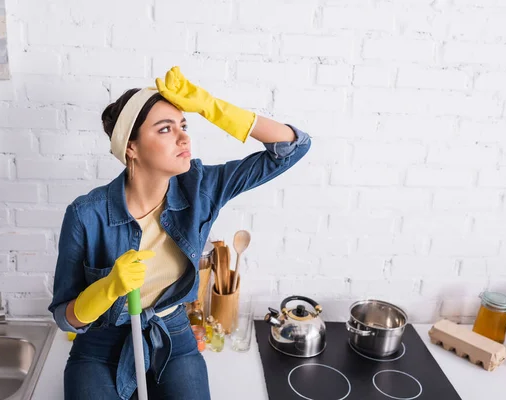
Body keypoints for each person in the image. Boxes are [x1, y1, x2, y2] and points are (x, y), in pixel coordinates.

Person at [48, 66, 312, 399]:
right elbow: (65, 316)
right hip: (101, 346)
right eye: (165, 129)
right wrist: (107, 289)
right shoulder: (86, 215)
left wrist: (209, 105)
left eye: (184, 125)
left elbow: (293, 147)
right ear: (131, 147)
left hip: (172, 336)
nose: (184, 137)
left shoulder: (200, 187)